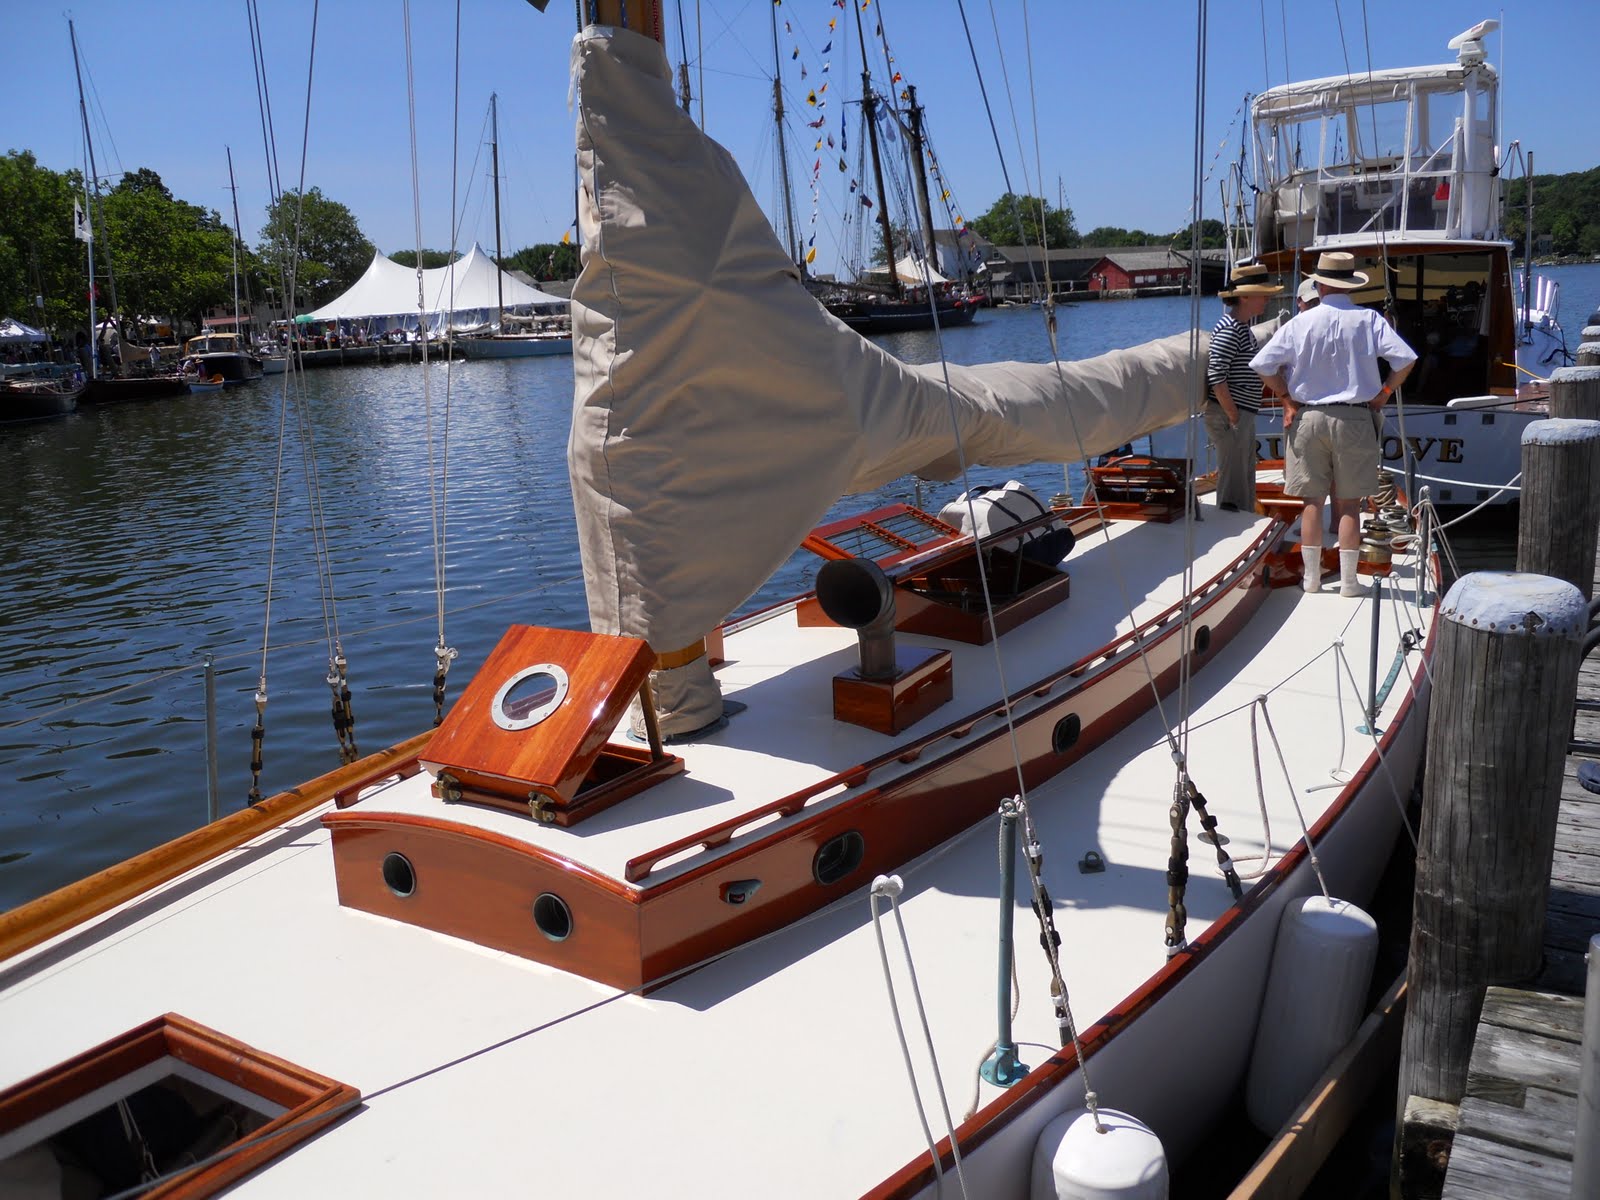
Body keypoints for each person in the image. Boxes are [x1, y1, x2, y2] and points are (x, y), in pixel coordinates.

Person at [1251, 251, 1416, 597]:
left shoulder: (1300, 322)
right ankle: (1350, 582)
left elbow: (1263, 366)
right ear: (1349, 283)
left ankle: (1311, 580)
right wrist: (1384, 393)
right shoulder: (1368, 320)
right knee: (1350, 504)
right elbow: (1405, 360)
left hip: (1308, 417)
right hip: (1355, 417)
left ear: (1320, 285)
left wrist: (1285, 398)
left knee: (1312, 503)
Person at [1204, 262, 1282, 512]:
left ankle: (1243, 528)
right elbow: (1216, 377)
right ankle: (1230, 534)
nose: (1266, 300)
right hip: (1232, 416)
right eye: (1262, 294)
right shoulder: (1230, 330)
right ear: (1244, 297)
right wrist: (1234, 416)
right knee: (1233, 488)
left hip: (1238, 416)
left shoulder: (1241, 329)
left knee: (1243, 481)